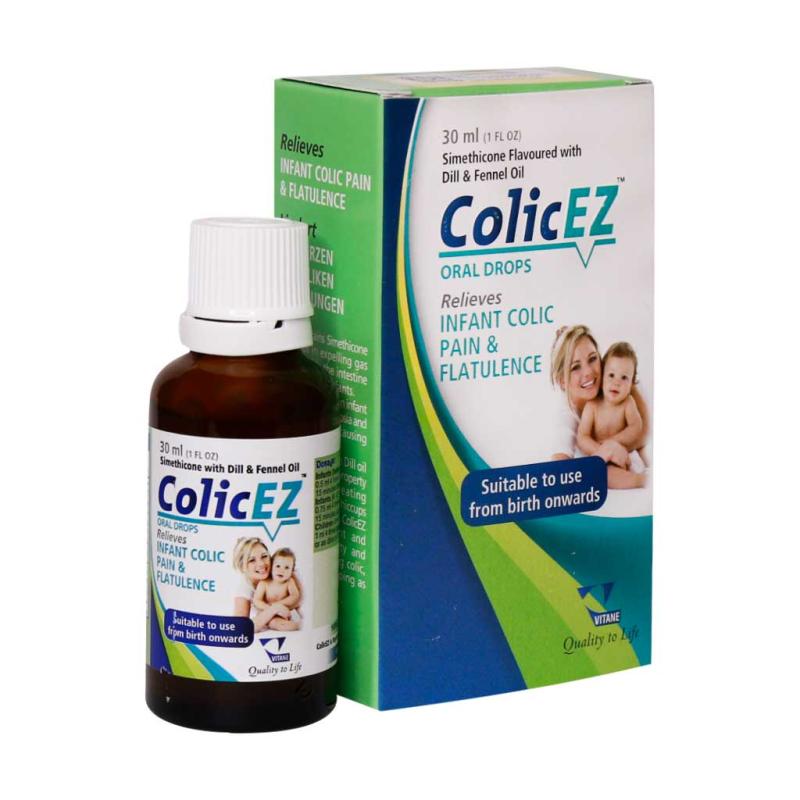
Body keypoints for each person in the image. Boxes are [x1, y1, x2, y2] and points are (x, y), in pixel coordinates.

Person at [550, 325, 648, 489]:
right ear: (562, 381)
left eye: (592, 358)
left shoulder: (617, 381)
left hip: (630, 458)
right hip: (603, 463)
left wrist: (614, 444)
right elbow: (557, 475)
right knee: (603, 473)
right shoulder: (567, 415)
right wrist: (605, 452)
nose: (588, 372)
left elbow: (643, 430)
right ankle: (642, 481)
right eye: (575, 367)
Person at [577, 342, 646, 474]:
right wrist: (602, 451)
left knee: (635, 466)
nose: (616, 382)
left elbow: (636, 427)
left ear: (632, 383)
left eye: (624, 377)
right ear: (602, 375)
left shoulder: (628, 403)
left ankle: (639, 479)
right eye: (611, 375)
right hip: (596, 454)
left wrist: (612, 443)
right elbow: (582, 437)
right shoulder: (592, 405)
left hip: (623, 453)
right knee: (591, 470)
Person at [231, 537, 294, 633]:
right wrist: (274, 609)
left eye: (264, 556)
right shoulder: (245, 588)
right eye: (252, 560)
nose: (261, 564)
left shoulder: (281, 570)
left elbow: (299, 598)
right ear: (242, 566)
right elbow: (239, 628)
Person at [253, 547, 302, 631]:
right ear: (271, 567)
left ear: (292, 571)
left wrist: (278, 605)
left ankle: (297, 625)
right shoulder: (264, 583)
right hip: (266, 611)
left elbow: (295, 596)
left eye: (287, 567)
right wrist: (270, 608)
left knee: (280, 624)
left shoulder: (289, 582)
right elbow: (257, 600)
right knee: (265, 622)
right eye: (278, 566)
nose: (281, 570)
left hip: (284, 612)